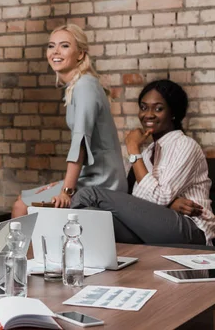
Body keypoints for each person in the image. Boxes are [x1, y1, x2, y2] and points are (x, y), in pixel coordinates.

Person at [72, 80, 215, 245]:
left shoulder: (185, 145)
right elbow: (137, 202)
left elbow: (159, 197)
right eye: (144, 107)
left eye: (158, 108)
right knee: (93, 216)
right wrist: (170, 205)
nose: (149, 114)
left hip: (191, 230)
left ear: (173, 112)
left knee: (89, 195)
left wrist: (133, 148)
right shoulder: (146, 154)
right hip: (153, 231)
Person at [11, 24, 127, 217]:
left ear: (80, 54)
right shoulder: (77, 86)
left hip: (103, 182)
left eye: (64, 46)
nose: (55, 51)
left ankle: (12, 249)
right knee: (22, 201)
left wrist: (67, 191)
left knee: (21, 206)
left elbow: (80, 142)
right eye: (51, 46)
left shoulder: (85, 86)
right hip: (92, 177)